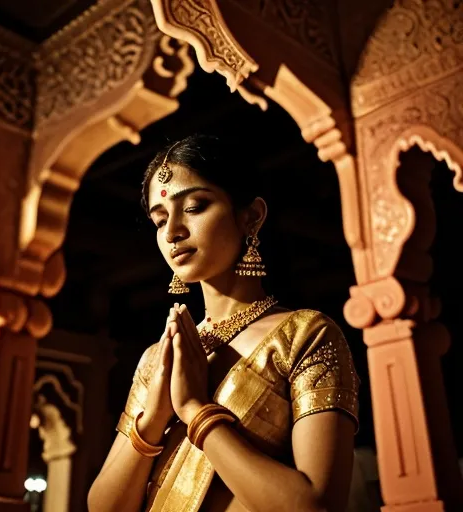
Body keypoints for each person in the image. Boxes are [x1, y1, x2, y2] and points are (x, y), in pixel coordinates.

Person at [88, 135, 359, 512]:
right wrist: (153, 421)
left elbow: (317, 506)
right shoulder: (160, 358)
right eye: (160, 219)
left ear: (251, 216)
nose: (172, 233)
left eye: (195, 207)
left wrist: (196, 410)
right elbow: (104, 507)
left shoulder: (306, 335)